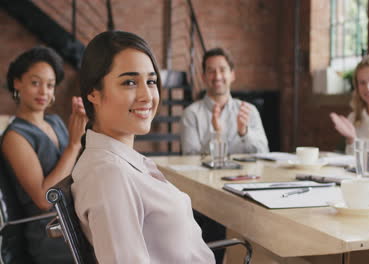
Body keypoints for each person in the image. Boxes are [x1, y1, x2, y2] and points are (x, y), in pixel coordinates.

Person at [71, 30, 215, 263]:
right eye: (129, 82)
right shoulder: (109, 175)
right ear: (93, 94)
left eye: (151, 81)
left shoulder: (121, 160)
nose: (147, 95)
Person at [1, 46, 87, 263]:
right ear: (17, 83)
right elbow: (43, 198)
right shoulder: (15, 137)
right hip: (49, 232)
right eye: (35, 83)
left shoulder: (55, 122)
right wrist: (74, 145)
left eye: (49, 85)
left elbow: (75, 172)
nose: (44, 92)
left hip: (75, 217)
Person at [181, 47, 269, 155]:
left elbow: (264, 152)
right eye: (211, 71)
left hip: (245, 172)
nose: (217, 76)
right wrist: (216, 135)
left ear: (232, 75)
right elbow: (189, 158)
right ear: (203, 77)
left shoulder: (249, 111)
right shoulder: (191, 114)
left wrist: (245, 133)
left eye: (222, 70)